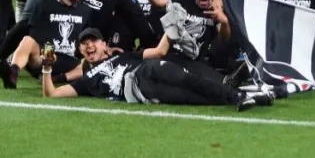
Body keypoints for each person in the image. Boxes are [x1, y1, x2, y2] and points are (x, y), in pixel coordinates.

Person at [40, 28, 274, 111]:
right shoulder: (86, 80)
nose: (89, 45)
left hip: (145, 71)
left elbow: (159, 51)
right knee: (193, 98)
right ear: (80, 49)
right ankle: (252, 96)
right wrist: (47, 68)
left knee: (188, 80)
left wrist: (170, 27)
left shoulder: (125, 55)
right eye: (84, 43)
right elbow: (51, 94)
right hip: (143, 95)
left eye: (93, 41)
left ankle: (240, 95)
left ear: (103, 44)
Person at [0, 0, 92, 89]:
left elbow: (88, 36)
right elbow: (35, 32)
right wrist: (48, 51)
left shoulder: (85, 10)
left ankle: (57, 79)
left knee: (88, 65)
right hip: (46, 58)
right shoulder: (45, 4)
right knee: (28, 40)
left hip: (70, 61)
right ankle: (13, 73)